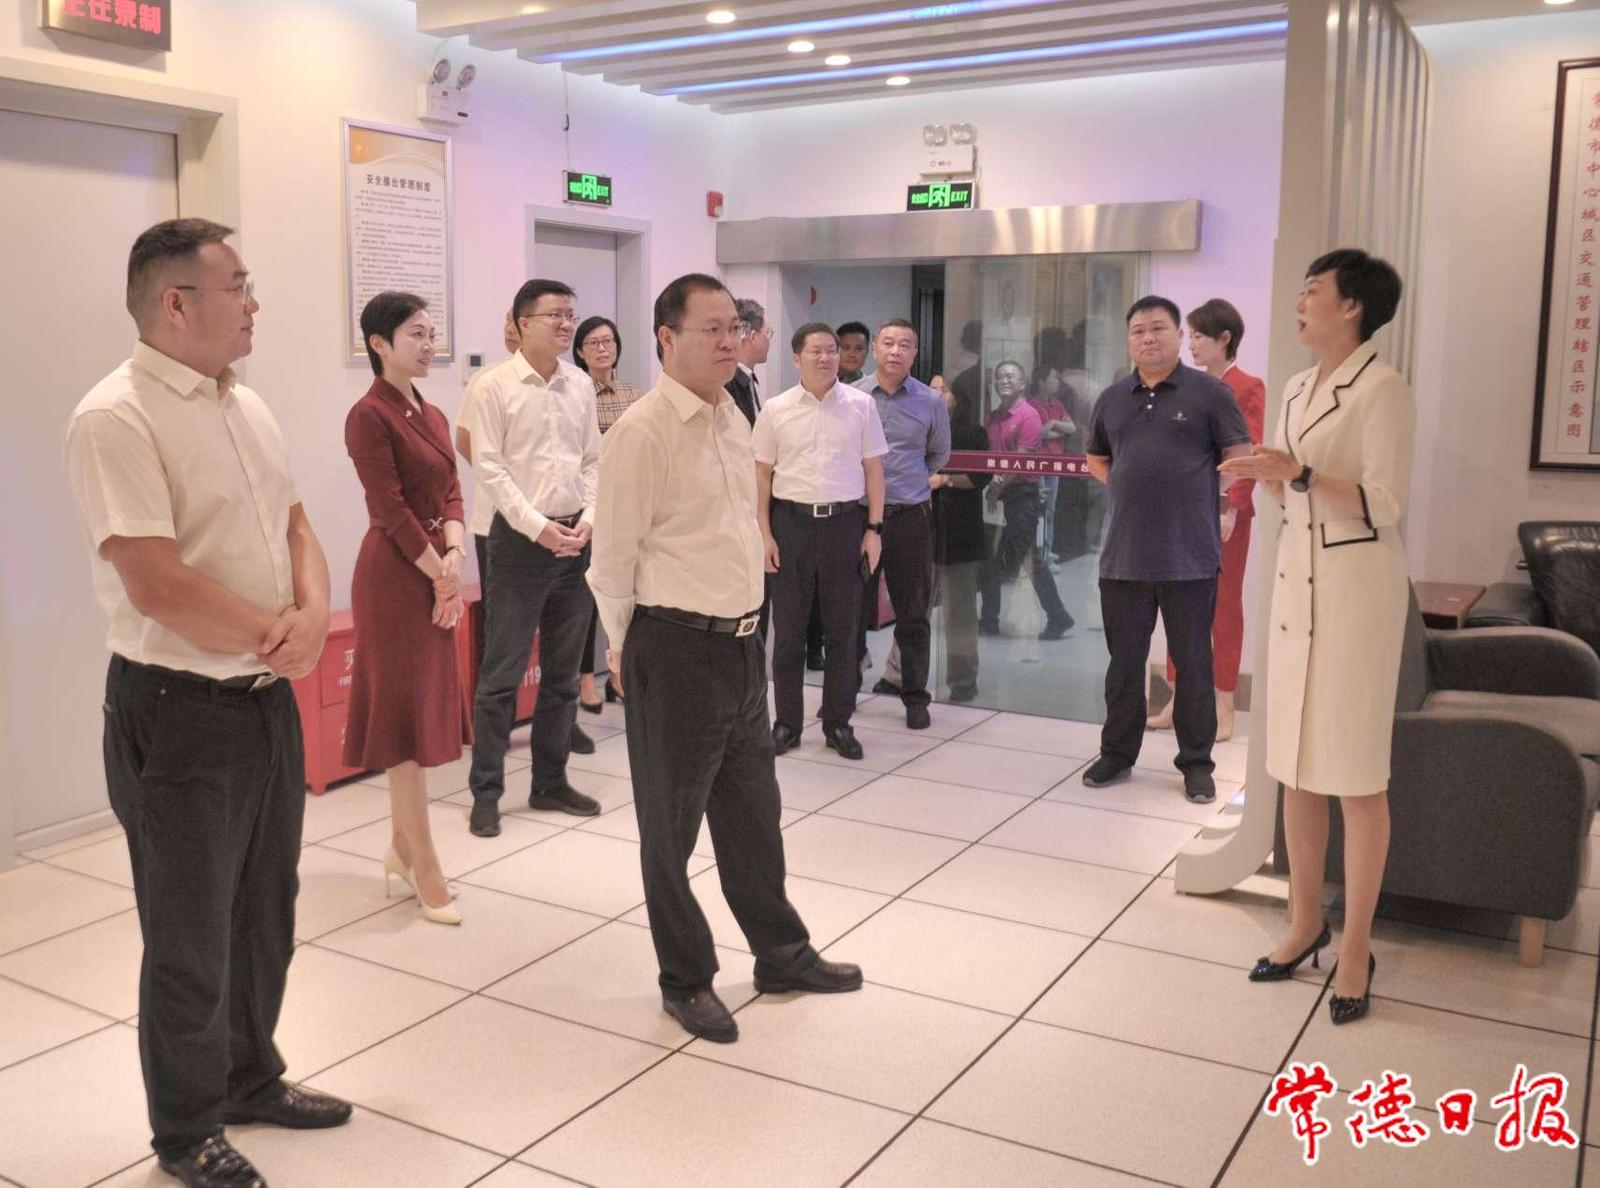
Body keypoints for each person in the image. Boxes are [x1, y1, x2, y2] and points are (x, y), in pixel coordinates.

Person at [64, 218, 351, 1188]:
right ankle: (187, 1130)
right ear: (177, 303)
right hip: (177, 709)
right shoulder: (116, 417)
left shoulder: (244, 402)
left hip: (263, 701)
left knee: (265, 908)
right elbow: (155, 582)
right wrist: (280, 633)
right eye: (240, 287)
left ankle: (248, 1077)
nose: (255, 304)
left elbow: (295, 520)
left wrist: (313, 613)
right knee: (189, 932)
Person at [588, 273, 863, 1044]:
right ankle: (684, 978)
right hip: (674, 648)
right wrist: (622, 646)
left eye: (733, 328)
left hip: (742, 646)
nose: (726, 341)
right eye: (709, 329)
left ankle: (781, 954)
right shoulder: (641, 433)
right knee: (670, 827)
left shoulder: (733, 413)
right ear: (665, 339)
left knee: (753, 816)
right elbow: (611, 560)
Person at [1228, 249, 1413, 1026]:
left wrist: (1298, 473)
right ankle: (1305, 923)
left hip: (1357, 600)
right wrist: (1270, 477)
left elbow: (1385, 502)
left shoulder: (1383, 388)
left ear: (1353, 307)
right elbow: (1293, 489)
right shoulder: (1299, 387)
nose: (1300, 302)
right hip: (1295, 591)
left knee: (1358, 779)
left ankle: (1357, 947)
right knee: (1296, 770)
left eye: (1313, 291)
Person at [1081, 297, 1253, 804]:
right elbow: (1096, 458)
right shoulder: (1112, 398)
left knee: (1194, 664)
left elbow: (1239, 453)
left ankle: (1197, 763)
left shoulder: (1209, 393)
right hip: (1124, 558)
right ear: (1128, 340)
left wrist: (1200, 494)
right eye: (1138, 331)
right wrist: (1134, 490)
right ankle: (1117, 753)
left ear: (1179, 335)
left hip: (1189, 557)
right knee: (1124, 663)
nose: (1148, 338)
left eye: (1158, 328)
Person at [343, 291, 470, 927]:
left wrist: (455, 557)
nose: (428, 344)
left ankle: (399, 846)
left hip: (435, 566)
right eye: (415, 334)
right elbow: (389, 510)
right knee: (403, 728)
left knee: (418, 716)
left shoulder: (435, 412)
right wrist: (439, 574)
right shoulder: (367, 416)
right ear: (379, 344)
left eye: (430, 332)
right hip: (394, 577)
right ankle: (425, 866)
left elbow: (452, 492)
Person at [463, 278, 602, 838]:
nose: (567, 324)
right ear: (522, 324)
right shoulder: (492, 385)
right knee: (502, 674)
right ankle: (486, 792)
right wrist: (539, 528)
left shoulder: (580, 384)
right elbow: (488, 467)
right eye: (555, 315)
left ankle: (550, 781)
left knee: (564, 674)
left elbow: (593, 459)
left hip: (576, 539)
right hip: (519, 542)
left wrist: (589, 517)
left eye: (571, 315)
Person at [755, 323, 887, 761]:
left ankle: (838, 723)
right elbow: (761, 475)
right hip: (790, 525)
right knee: (789, 634)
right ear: (797, 359)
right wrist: (764, 533)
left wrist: (874, 529)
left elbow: (874, 470)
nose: (827, 358)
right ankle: (787, 724)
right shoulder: (775, 409)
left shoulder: (861, 405)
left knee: (843, 632)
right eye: (816, 351)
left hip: (844, 525)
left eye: (832, 350)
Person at [1148, 298, 1265, 742]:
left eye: (1199, 336)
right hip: (1182, 512)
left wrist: (1230, 506)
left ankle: (1224, 702)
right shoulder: (1186, 386)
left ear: (1224, 339)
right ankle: (1178, 697)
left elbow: (1247, 451)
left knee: (1224, 605)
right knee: (1178, 602)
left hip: (1224, 513)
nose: (1192, 344)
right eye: (1191, 336)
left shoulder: (1247, 386)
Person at [852, 319, 950, 729]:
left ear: (915, 352)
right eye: (888, 343)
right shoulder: (853, 397)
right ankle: (844, 692)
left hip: (909, 517)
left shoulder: (930, 401)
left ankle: (914, 698)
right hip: (859, 517)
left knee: (913, 611)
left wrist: (909, 483)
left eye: (904, 344)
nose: (896, 351)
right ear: (875, 348)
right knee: (852, 609)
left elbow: (938, 455)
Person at [572, 314, 643, 714]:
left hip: (631, 505)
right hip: (591, 506)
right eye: (593, 343)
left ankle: (621, 674)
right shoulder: (576, 392)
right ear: (580, 352)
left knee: (629, 594)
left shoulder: (634, 393)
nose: (602, 349)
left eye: (609, 341)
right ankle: (586, 676)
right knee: (588, 596)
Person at [978, 360, 1075, 640]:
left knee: (1025, 559)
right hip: (997, 495)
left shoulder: (1029, 415)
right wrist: (992, 485)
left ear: (1022, 384)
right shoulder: (993, 416)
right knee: (995, 558)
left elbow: (1023, 457)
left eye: (1010, 376)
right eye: (1000, 377)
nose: (1004, 381)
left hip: (1021, 495)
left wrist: (998, 484)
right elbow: (988, 455)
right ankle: (990, 619)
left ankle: (1057, 615)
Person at [928, 383, 993, 702]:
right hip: (923, 530)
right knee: (913, 611)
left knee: (959, 614)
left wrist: (945, 480)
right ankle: (899, 676)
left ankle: (963, 680)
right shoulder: (921, 427)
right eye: (932, 388)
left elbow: (981, 477)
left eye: (944, 390)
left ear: (958, 397)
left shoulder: (973, 433)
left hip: (960, 533)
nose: (937, 394)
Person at [1027, 361, 1076, 567]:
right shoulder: (1031, 405)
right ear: (1041, 382)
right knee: (1039, 509)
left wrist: (1054, 424)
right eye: (1053, 377)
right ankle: (1037, 554)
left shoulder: (1057, 404)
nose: (1057, 381)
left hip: (1055, 463)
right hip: (1038, 464)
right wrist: (1054, 431)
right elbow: (1038, 433)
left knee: (1050, 510)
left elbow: (1072, 428)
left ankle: (1047, 551)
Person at [727, 297, 770, 427]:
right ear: (753, 337)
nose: (769, 340)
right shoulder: (727, 383)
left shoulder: (746, 378)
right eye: (767, 333)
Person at [836, 320, 870, 385]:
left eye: (858, 349)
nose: (852, 354)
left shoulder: (870, 388)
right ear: (835, 350)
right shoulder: (822, 383)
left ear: (867, 352)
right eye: (846, 348)